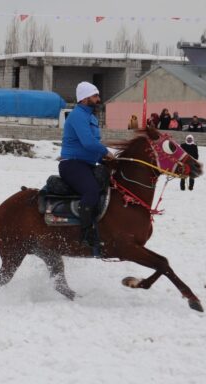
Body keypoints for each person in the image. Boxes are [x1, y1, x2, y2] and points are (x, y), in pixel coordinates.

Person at [59, 82, 115, 257]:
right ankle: (86, 235)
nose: (98, 99)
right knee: (91, 191)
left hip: (87, 164)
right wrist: (106, 152)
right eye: (95, 96)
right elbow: (89, 143)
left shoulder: (91, 117)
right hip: (72, 165)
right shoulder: (77, 116)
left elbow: (91, 148)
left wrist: (103, 160)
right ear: (84, 98)